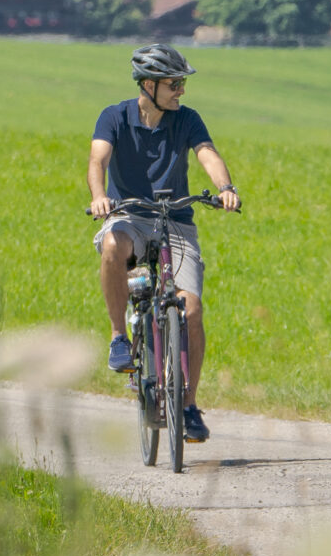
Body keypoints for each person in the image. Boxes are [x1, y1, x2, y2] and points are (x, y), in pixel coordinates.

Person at [88, 43, 241, 444]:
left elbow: (207, 153)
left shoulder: (186, 119)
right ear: (148, 85)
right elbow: (98, 160)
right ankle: (119, 337)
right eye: (174, 84)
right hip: (129, 214)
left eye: (181, 84)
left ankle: (188, 404)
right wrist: (99, 196)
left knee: (192, 309)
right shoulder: (114, 116)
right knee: (113, 246)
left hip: (176, 220)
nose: (181, 91)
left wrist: (225, 187)